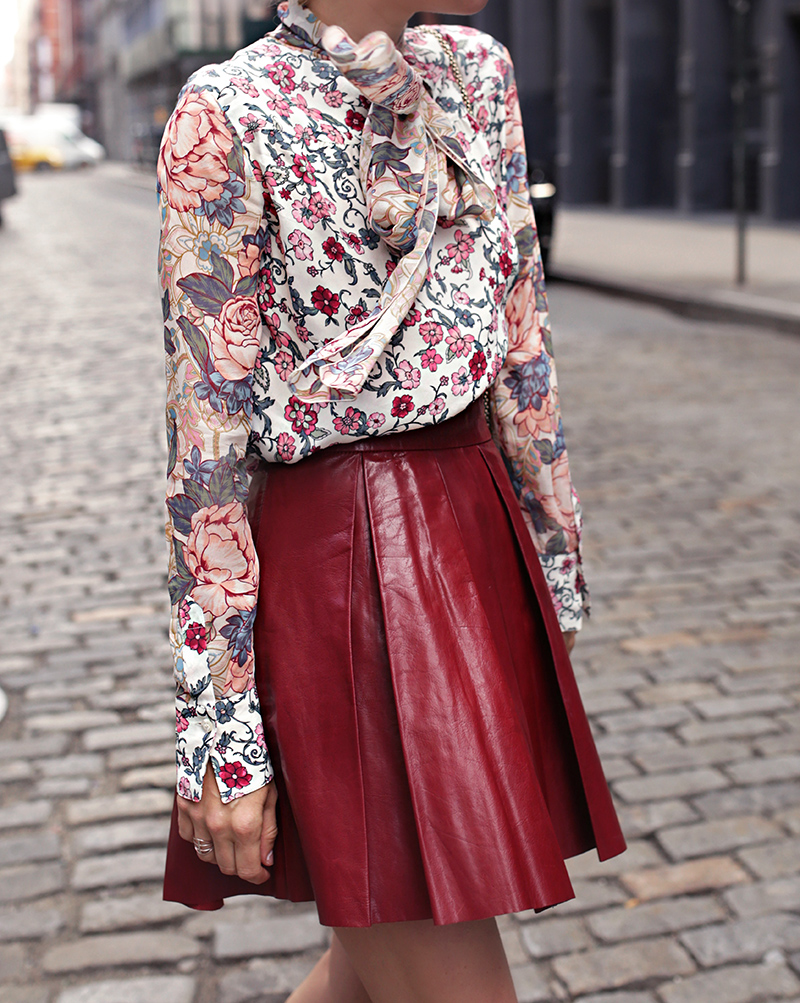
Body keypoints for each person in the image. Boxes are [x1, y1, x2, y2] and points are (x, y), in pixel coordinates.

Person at [158, 1, 626, 1000]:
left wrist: (553, 558)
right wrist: (220, 725)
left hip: (474, 523)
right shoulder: (227, 109)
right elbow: (208, 449)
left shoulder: (477, 72)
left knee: (368, 973)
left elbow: (521, 336)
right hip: (338, 576)